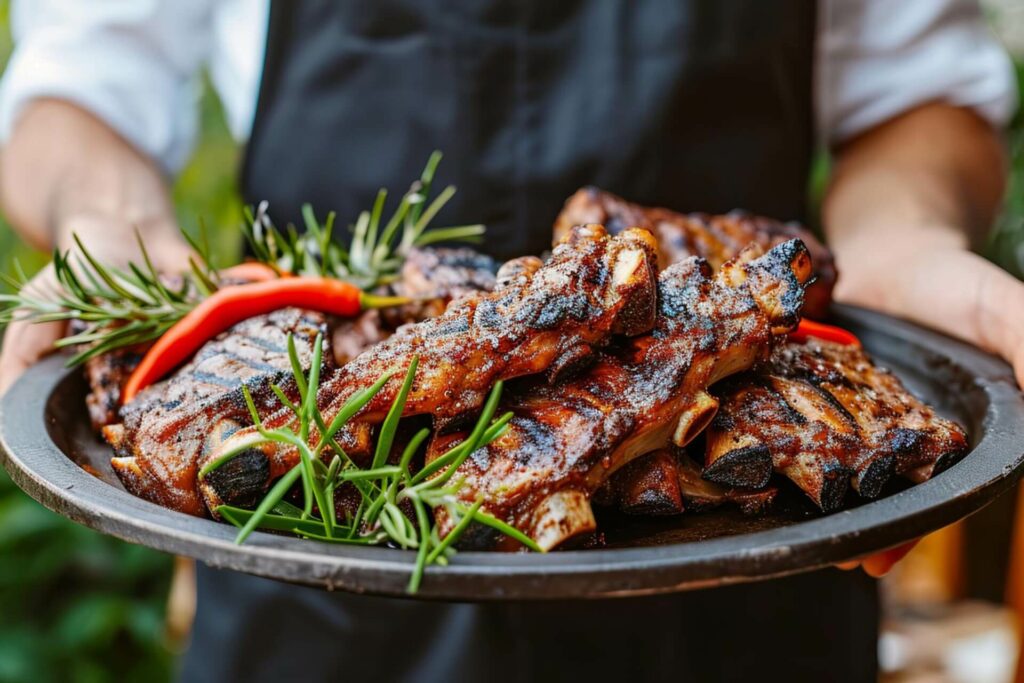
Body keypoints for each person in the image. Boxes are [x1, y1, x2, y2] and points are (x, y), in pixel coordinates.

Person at [0, 1, 1017, 680]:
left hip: (742, 557)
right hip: (310, 573)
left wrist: (903, 239)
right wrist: (109, 225)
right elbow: (80, 83)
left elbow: (916, 92)